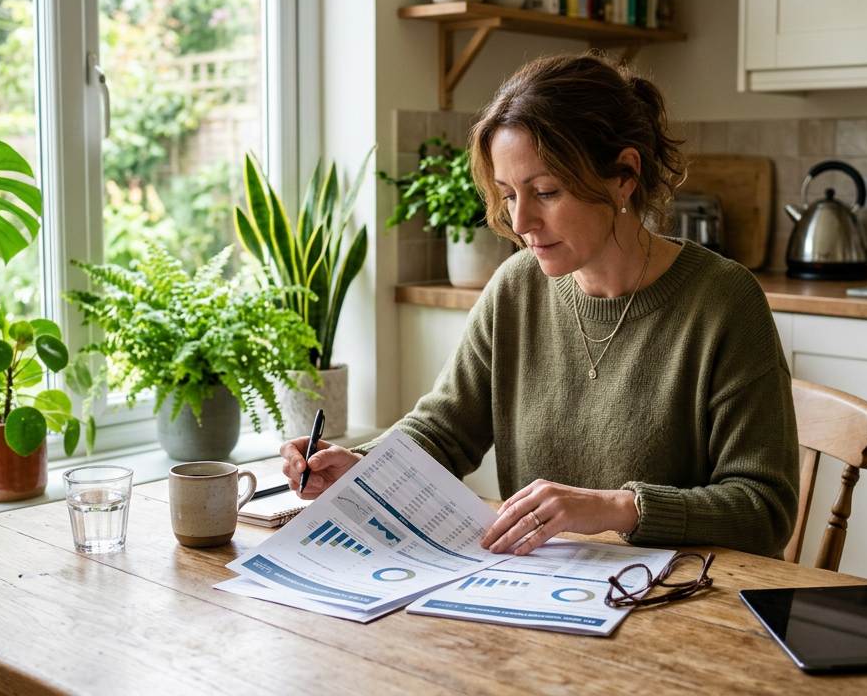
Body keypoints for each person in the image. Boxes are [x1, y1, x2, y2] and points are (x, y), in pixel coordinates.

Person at [281, 53, 799, 558]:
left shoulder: (724, 302)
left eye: (546, 191)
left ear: (623, 175)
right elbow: (443, 430)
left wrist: (619, 507)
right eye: (508, 195)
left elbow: (764, 510)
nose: (520, 221)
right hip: (539, 601)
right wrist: (362, 468)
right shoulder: (516, 288)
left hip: (678, 608)